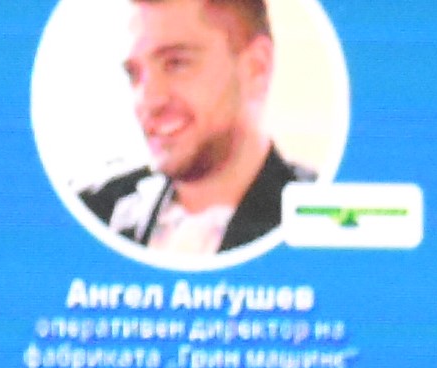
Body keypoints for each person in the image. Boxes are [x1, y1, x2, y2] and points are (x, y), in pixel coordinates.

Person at [76, 0, 309, 260]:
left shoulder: (319, 213)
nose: (148, 100)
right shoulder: (91, 210)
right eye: (134, 74)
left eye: (176, 63)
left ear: (256, 67)